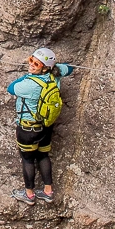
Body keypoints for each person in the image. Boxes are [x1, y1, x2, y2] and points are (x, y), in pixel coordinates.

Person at [6, 48, 74, 206]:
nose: (31, 65)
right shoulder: (56, 75)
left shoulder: (30, 85)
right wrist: (57, 67)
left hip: (27, 129)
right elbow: (69, 68)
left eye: (36, 63)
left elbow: (11, 87)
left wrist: (27, 76)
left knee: (28, 159)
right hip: (45, 127)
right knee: (43, 156)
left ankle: (29, 194)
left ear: (44, 67)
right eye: (31, 60)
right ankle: (48, 191)